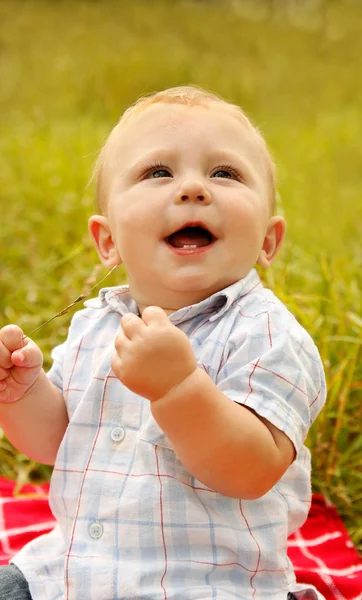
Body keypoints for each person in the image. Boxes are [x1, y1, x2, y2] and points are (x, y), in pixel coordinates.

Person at [0, 86, 326, 600]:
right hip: (67, 574)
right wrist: (19, 393)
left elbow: (252, 470)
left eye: (225, 173)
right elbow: (55, 439)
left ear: (268, 239)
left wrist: (178, 388)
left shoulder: (268, 335)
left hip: (207, 585)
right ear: (107, 241)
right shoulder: (95, 325)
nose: (194, 188)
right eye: (158, 172)